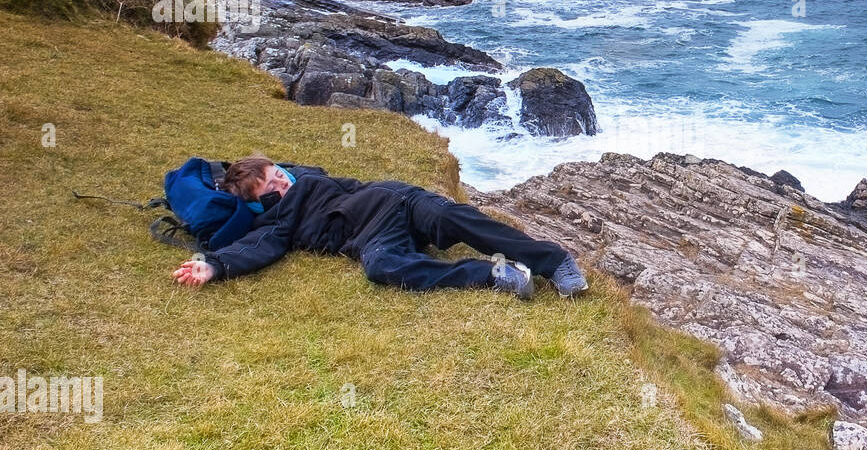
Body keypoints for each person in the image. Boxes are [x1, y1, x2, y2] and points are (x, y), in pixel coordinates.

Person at [170, 156, 588, 299]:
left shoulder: (311, 177)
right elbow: (259, 246)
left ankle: (556, 262)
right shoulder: (277, 220)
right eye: (272, 186)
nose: (283, 182)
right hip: (374, 238)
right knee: (382, 268)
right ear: (259, 202)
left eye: (278, 173)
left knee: (451, 217)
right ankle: (497, 275)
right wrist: (214, 265)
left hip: (398, 199)